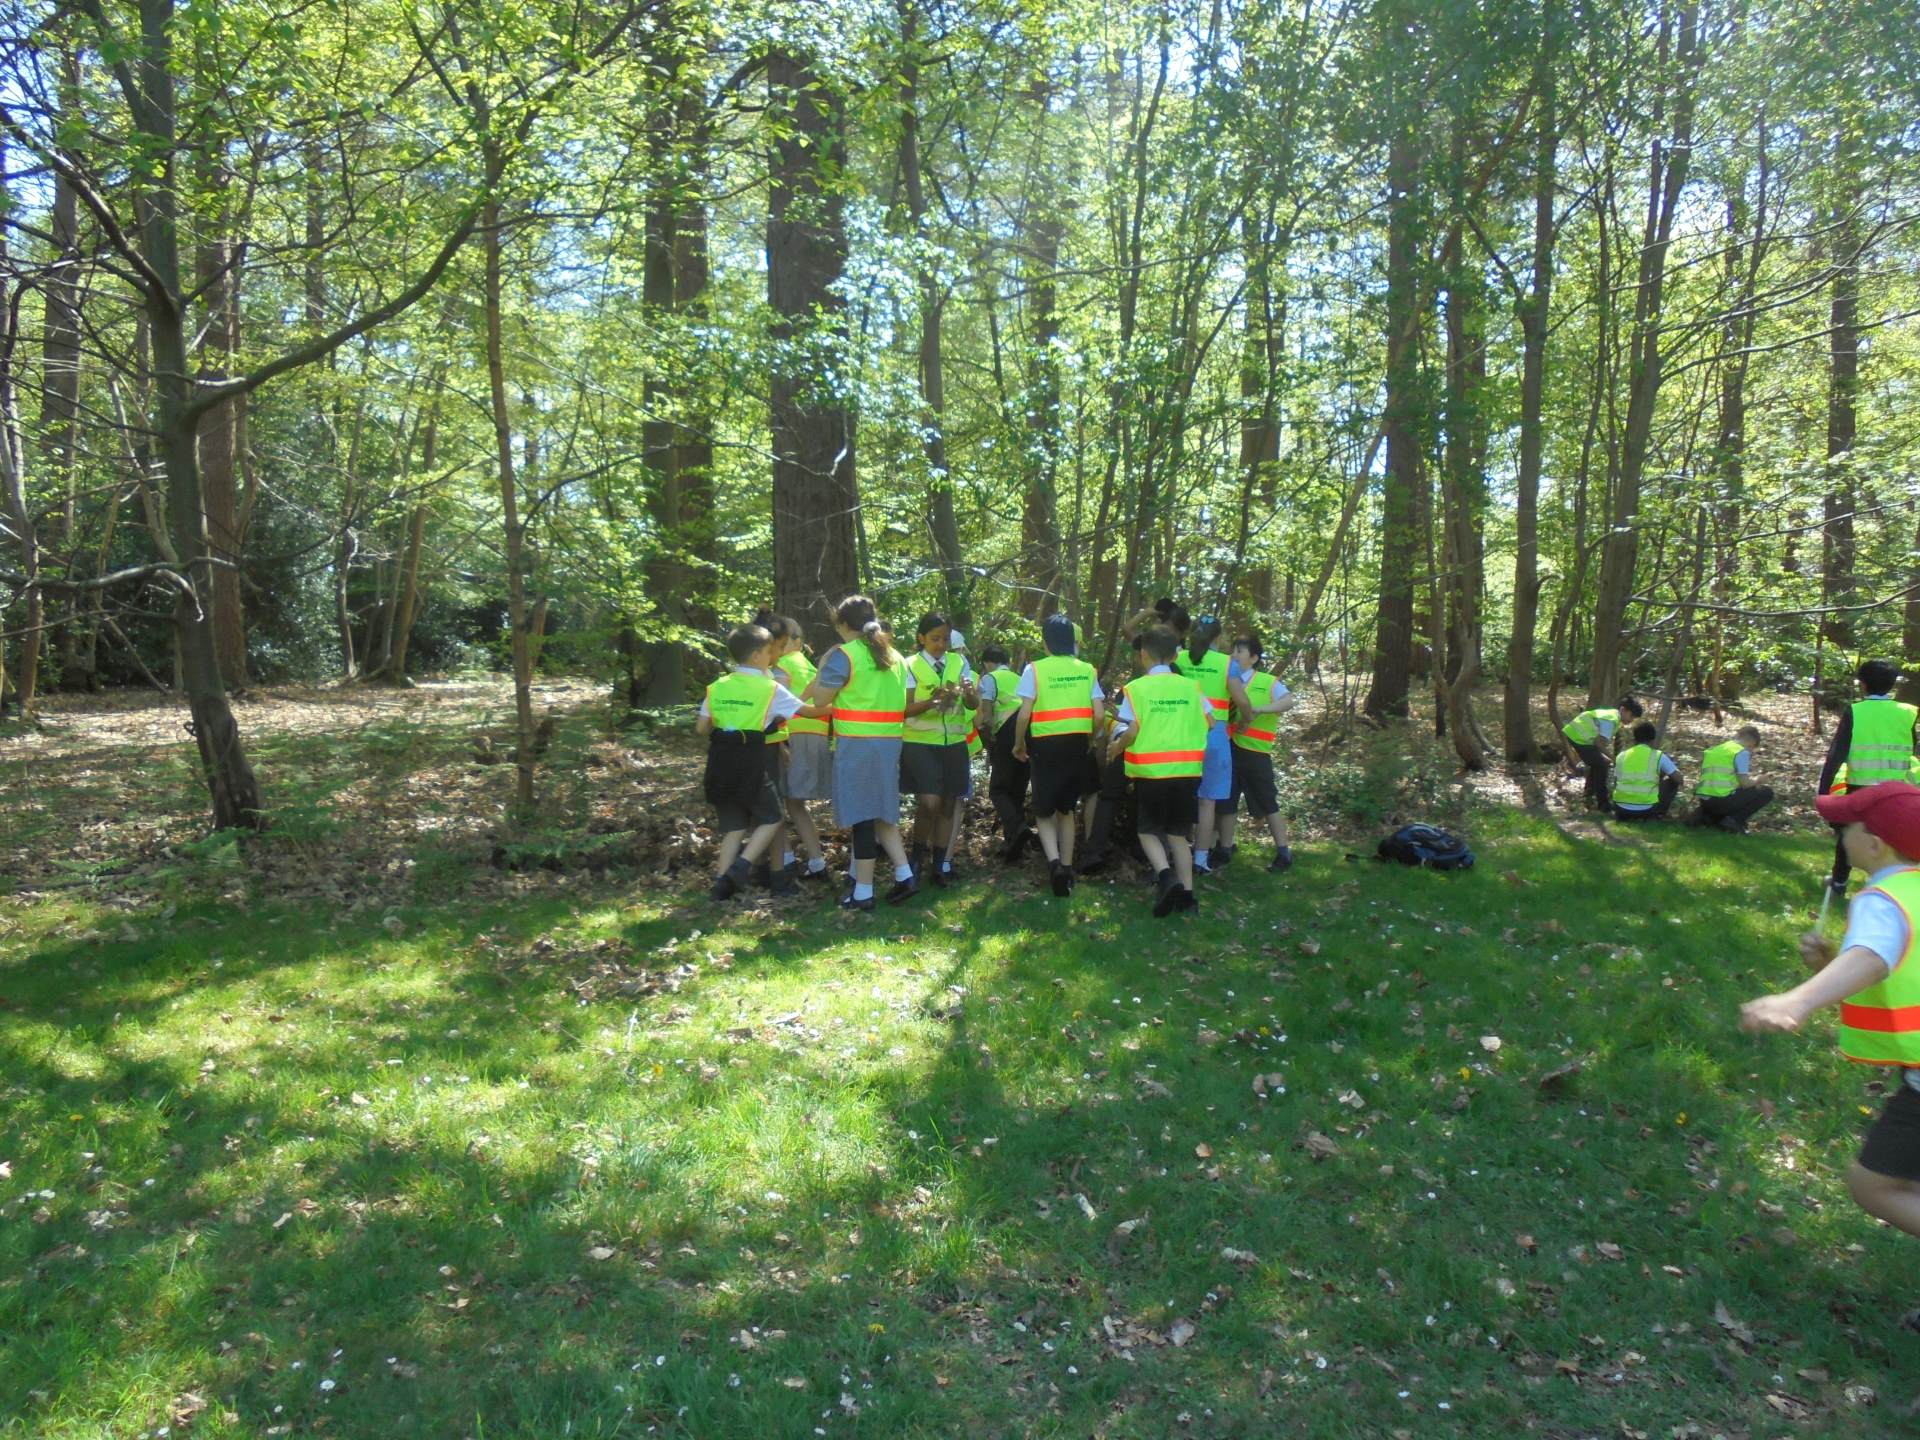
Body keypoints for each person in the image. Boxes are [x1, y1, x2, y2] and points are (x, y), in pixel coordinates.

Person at [1740, 781, 1920, 1241]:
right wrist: (1829, 965)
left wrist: (1798, 1000)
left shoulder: (1882, 900)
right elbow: (1898, 969)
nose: (1840, 835)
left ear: (1875, 845)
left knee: (1874, 1186)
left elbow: (1872, 958)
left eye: (1847, 827)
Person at [807, 595, 919, 910]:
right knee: (880, 812)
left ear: (843, 624)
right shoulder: (895, 656)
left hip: (858, 744)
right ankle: (905, 875)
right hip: (889, 743)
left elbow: (819, 700)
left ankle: (864, 893)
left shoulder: (845, 655)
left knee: (862, 817)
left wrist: (824, 664)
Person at [698, 623, 819, 900]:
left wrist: (729, 721)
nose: (772, 656)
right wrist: (841, 705)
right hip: (753, 761)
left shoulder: (717, 686)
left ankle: (720, 886)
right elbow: (808, 711)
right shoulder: (769, 688)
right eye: (768, 651)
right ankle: (741, 867)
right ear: (756, 656)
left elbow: (701, 728)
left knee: (734, 826)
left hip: (719, 762)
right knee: (773, 816)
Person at [1109, 624, 1211, 917]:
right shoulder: (1191, 687)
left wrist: (1117, 747)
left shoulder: (1136, 689)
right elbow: (1211, 721)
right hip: (1187, 772)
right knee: (1178, 835)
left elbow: (1132, 730)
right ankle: (1188, 898)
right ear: (1175, 655)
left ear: (1143, 654)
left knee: (1148, 831)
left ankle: (1166, 877)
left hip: (1152, 773)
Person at [1014, 614, 1105, 896]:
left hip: (1044, 745)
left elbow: (1024, 714)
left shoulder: (1035, 670)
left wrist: (1019, 744)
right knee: (1066, 809)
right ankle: (1066, 868)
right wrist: (1091, 737)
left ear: (1045, 642)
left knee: (1043, 810)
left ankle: (1054, 863)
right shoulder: (1087, 670)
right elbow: (1099, 714)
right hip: (1077, 744)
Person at [1819, 661, 1919, 895]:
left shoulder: (1856, 711)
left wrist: (1824, 790)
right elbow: (1912, 746)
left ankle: (1839, 882)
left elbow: (1837, 753)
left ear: (1862, 684)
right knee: (1891, 839)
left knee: (1850, 834)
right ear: (1893, 684)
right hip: (1894, 788)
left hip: (1860, 786)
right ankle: (1894, 885)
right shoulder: (1907, 712)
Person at [900, 612, 976, 886]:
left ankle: (940, 865)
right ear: (921, 638)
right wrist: (933, 701)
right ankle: (915, 858)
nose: (940, 645)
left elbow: (973, 705)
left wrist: (969, 693)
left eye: (945, 639)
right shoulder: (909, 665)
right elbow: (904, 709)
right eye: (934, 639)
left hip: (953, 743)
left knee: (947, 803)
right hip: (919, 743)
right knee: (929, 802)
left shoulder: (959, 662)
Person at [755, 611, 831, 885]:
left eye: (783, 641)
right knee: (794, 803)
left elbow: (778, 706)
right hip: (815, 732)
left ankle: (785, 861)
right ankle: (815, 861)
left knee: (778, 801)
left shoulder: (783, 664)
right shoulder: (807, 664)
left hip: (793, 734)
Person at [1223, 634, 1297, 872]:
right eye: (1233, 650)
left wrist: (1262, 709)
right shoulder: (1226, 680)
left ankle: (1283, 853)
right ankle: (1224, 848)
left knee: (1267, 803)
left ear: (1254, 658)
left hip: (1256, 754)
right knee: (1226, 802)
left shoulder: (1267, 682)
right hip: (1229, 749)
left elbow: (1288, 701)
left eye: (1240, 651)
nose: (1234, 655)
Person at [1173, 614, 1235, 873]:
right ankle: (1199, 860)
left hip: (1181, 733)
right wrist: (1245, 718)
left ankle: (1174, 852)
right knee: (1207, 801)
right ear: (1218, 637)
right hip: (1214, 733)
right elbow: (1242, 700)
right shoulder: (1227, 663)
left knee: (1177, 794)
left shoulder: (1178, 658)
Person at [974, 644, 1033, 861]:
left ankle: (1018, 827)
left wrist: (988, 734)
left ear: (987, 663)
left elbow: (987, 712)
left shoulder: (990, 678)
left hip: (1008, 730)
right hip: (1029, 729)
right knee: (1017, 789)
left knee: (998, 789)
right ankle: (1013, 846)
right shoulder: (1019, 677)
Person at [1563, 696, 1646, 810]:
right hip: (1579, 738)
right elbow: (1599, 744)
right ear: (1623, 710)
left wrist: (1608, 758)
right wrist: (1614, 759)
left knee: (1600, 763)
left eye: (1634, 718)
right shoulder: (1611, 721)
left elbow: (1598, 743)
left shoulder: (1612, 715)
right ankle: (1603, 804)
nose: (1631, 720)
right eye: (1631, 716)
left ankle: (1589, 794)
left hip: (1578, 736)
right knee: (1601, 766)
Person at [1687, 724, 1772, 832]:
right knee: (1766, 792)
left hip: (1704, 800)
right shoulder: (1741, 752)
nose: (1751, 752)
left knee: (1732, 797)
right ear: (1751, 743)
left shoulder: (1715, 749)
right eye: (1752, 748)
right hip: (1721, 800)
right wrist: (1759, 780)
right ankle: (1734, 820)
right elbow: (1745, 784)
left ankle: (1706, 816)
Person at [1610, 720, 1681, 821]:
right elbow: (1679, 779)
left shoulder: (1622, 756)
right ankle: (1658, 815)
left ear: (1634, 738)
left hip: (1620, 808)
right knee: (1671, 782)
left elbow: (1617, 779)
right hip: (1646, 809)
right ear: (1653, 739)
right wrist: (1661, 775)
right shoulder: (1658, 756)